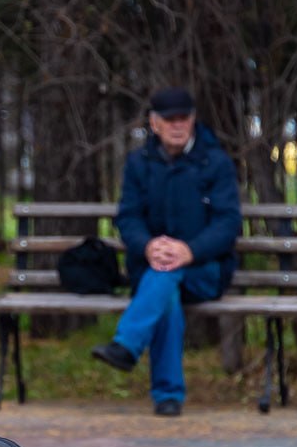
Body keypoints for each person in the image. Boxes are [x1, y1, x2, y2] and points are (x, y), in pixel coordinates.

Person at [90, 86, 241, 417]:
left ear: (193, 120)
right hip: (153, 269)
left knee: (165, 274)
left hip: (206, 271)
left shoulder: (215, 162)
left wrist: (190, 250)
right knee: (166, 290)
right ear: (154, 123)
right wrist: (148, 246)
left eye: (184, 118)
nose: (178, 125)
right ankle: (168, 397)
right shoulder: (139, 163)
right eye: (170, 119)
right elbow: (128, 217)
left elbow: (228, 223)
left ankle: (128, 345)